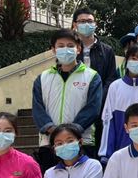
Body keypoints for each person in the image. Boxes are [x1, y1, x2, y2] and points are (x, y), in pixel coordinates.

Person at [32, 29, 102, 170]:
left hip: (82, 142)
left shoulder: (92, 77)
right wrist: (51, 129)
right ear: (53, 49)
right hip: (50, 144)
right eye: (61, 46)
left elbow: (93, 108)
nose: (66, 49)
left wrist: (72, 132)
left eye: (70, 46)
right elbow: (38, 108)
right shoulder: (43, 78)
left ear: (78, 49)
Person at [72, 8, 118, 93]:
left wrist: (99, 96)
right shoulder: (70, 50)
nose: (86, 24)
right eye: (82, 21)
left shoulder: (107, 51)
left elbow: (111, 78)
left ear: (95, 24)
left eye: (90, 21)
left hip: (100, 98)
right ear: (75, 25)